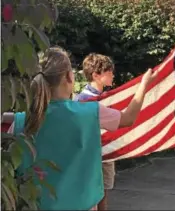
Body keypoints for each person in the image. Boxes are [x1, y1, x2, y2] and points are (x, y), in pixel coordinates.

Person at [5, 46, 157, 210]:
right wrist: (144, 85)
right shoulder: (91, 112)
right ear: (69, 77)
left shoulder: (20, 122)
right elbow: (128, 118)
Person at [74, 53, 116, 211]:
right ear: (96, 75)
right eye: (108, 71)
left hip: (107, 151)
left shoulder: (110, 98)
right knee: (91, 194)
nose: (112, 74)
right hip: (90, 155)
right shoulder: (82, 100)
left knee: (104, 192)